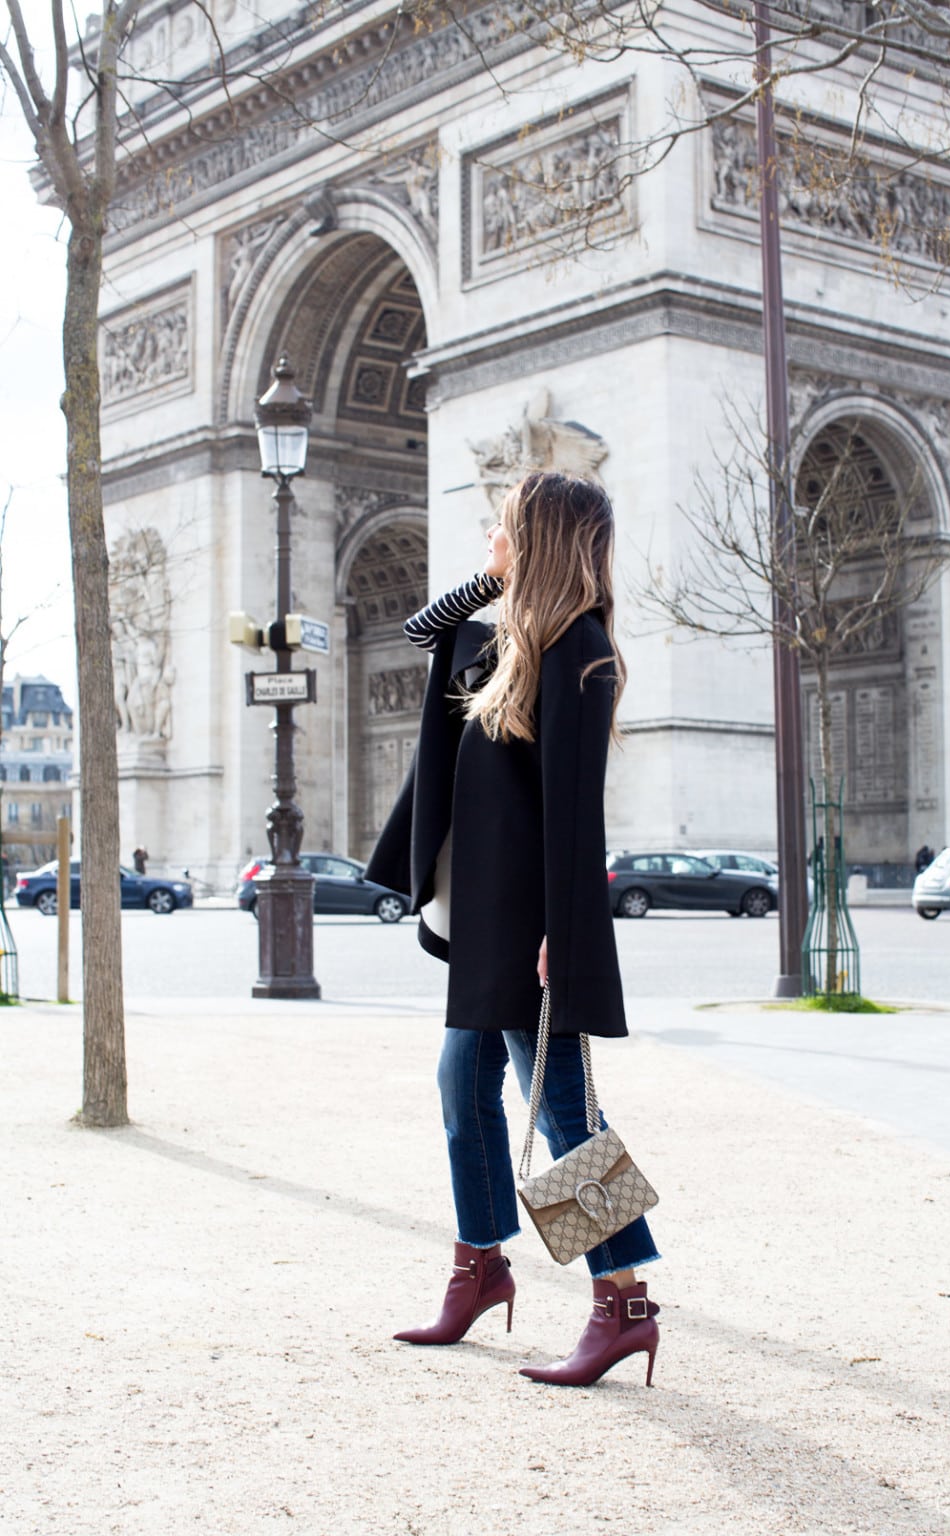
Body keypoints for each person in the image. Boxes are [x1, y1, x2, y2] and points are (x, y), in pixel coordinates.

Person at [366, 471, 661, 1388]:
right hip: (477, 910)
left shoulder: (580, 652)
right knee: (463, 1084)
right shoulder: (498, 639)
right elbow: (421, 631)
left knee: (561, 1104)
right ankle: (481, 1266)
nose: (489, 538)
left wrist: (559, 931)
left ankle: (624, 1305)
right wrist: (497, 576)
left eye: (504, 529)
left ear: (538, 539)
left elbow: (575, 815)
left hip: (528, 918)